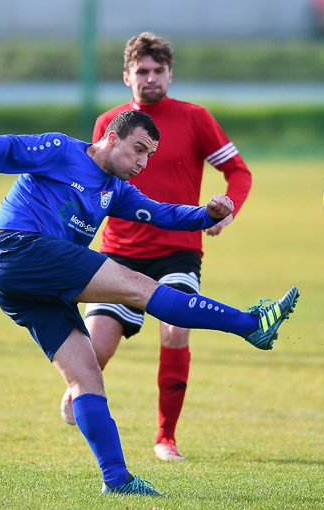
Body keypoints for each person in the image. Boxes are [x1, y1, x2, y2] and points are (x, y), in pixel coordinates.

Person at [0, 110, 299, 496]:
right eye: (138, 149)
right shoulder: (63, 150)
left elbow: (163, 214)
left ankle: (116, 480)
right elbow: (14, 146)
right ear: (112, 138)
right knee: (138, 285)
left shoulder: (115, 191)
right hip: (21, 248)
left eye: (149, 155)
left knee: (86, 376)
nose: (143, 162)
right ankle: (251, 324)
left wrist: (206, 215)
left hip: (24, 286)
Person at [60, 32, 253, 462]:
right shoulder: (108, 122)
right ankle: (78, 387)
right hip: (119, 251)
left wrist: (228, 210)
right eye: (142, 70)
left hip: (177, 250)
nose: (151, 78)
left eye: (158, 70)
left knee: (176, 328)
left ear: (170, 74)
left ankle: (166, 437)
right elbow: (93, 184)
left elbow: (238, 171)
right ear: (126, 76)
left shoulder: (195, 118)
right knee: (96, 350)